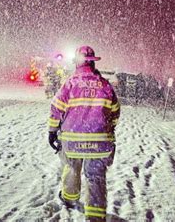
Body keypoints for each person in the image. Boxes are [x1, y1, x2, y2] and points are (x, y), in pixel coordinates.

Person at [47, 45, 120, 221]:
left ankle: (70, 199)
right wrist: (108, 127)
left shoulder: (70, 83)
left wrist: (52, 131)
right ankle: (95, 216)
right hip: (100, 143)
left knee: (72, 168)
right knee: (95, 177)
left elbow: (56, 109)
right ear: (93, 63)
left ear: (77, 63)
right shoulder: (105, 85)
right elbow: (115, 112)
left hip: (72, 141)